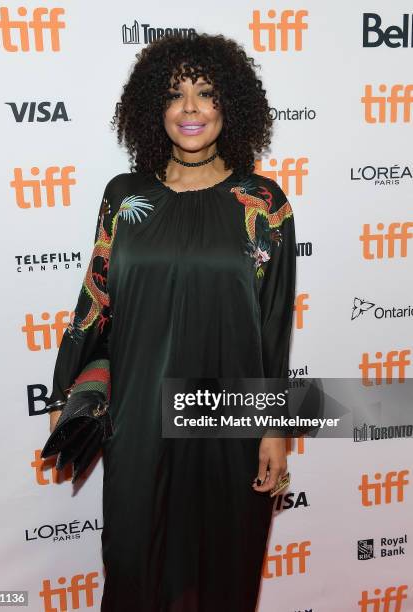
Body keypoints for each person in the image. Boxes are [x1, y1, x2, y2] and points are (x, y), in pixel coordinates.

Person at [46, 32, 296, 612]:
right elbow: (95, 299)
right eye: (175, 94)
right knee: (134, 561)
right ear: (152, 108)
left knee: (224, 564)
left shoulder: (263, 203)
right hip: (137, 422)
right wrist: (66, 390)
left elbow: (274, 326)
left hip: (230, 422)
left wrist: (276, 428)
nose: (190, 109)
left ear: (229, 106)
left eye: (206, 93)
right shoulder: (124, 197)